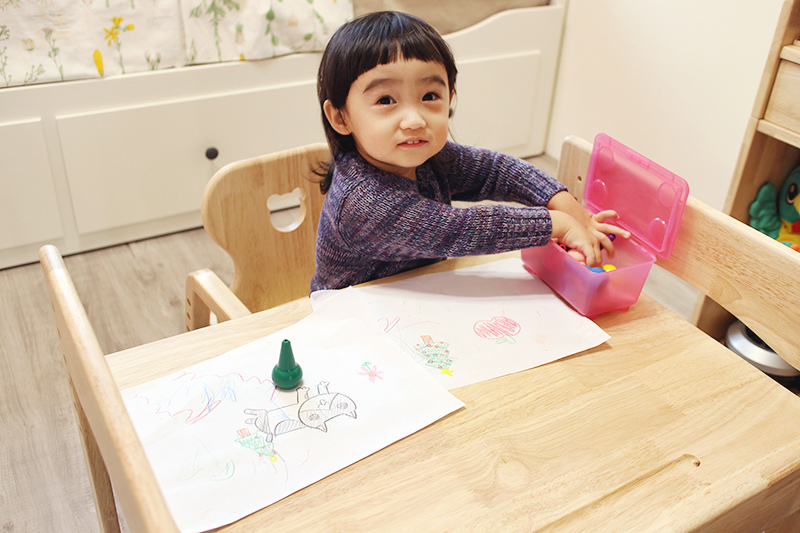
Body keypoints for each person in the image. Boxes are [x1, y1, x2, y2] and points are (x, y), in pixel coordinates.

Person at [310, 11, 628, 292]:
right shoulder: (361, 201)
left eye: (430, 96)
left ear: (450, 97)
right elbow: (458, 230)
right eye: (385, 101)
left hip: (417, 293)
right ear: (340, 118)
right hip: (350, 315)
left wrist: (563, 202)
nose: (415, 120)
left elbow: (496, 170)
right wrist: (556, 223)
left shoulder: (429, 157)